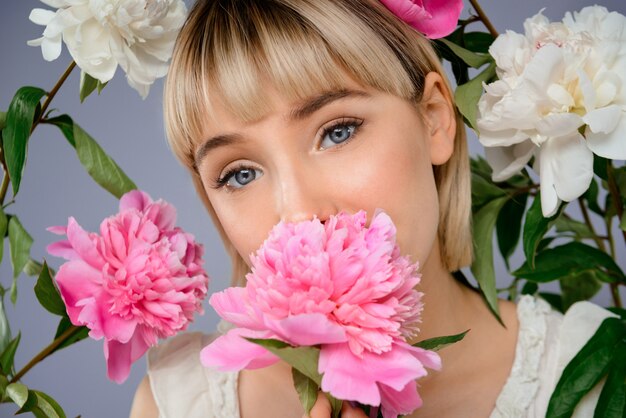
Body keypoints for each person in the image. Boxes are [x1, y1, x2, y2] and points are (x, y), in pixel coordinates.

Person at [129, 0, 614, 417]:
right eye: (240, 173)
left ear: (434, 121)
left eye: (337, 131)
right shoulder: (177, 400)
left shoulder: (597, 375)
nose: (298, 213)